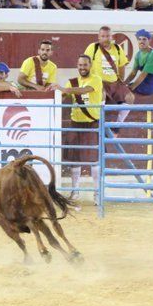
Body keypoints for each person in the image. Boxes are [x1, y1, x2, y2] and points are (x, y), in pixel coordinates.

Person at [55, 54, 104, 203]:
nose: (82, 68)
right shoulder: (72, 82)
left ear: (90, 66)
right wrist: (55, 92)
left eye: (85, 65)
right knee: (74, 158)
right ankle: (75, 191)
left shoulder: (96, 79)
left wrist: (63, 89)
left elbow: (84, 91)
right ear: (77, 66)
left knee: (94, 158)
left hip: (92, 123)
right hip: (75, 122)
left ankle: (97, 193)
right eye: (80, 65)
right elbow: (62, 96)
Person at [84, 26, 134, 121]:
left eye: (108, 36)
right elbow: (85, 64)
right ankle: (99, 121)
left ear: (111, 37)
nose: (105, 39)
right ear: (98, 37)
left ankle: (118, 124)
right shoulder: (92, 48)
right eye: (103, 36)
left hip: (114, 83)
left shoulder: (118, 49)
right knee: (101, 94)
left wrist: (121, 82)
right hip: (99, 82)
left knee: (130, 97)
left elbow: (121, 66)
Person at [126, 29, 153, 96]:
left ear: (149, 40)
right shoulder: (138, 54)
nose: (141, 41)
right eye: (139, 39)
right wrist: (123, 83)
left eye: (144, 39)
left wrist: (132, 87)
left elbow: (143, 74)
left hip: (150, 86)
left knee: (127, 90)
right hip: (141, 83)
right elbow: (133, 73)